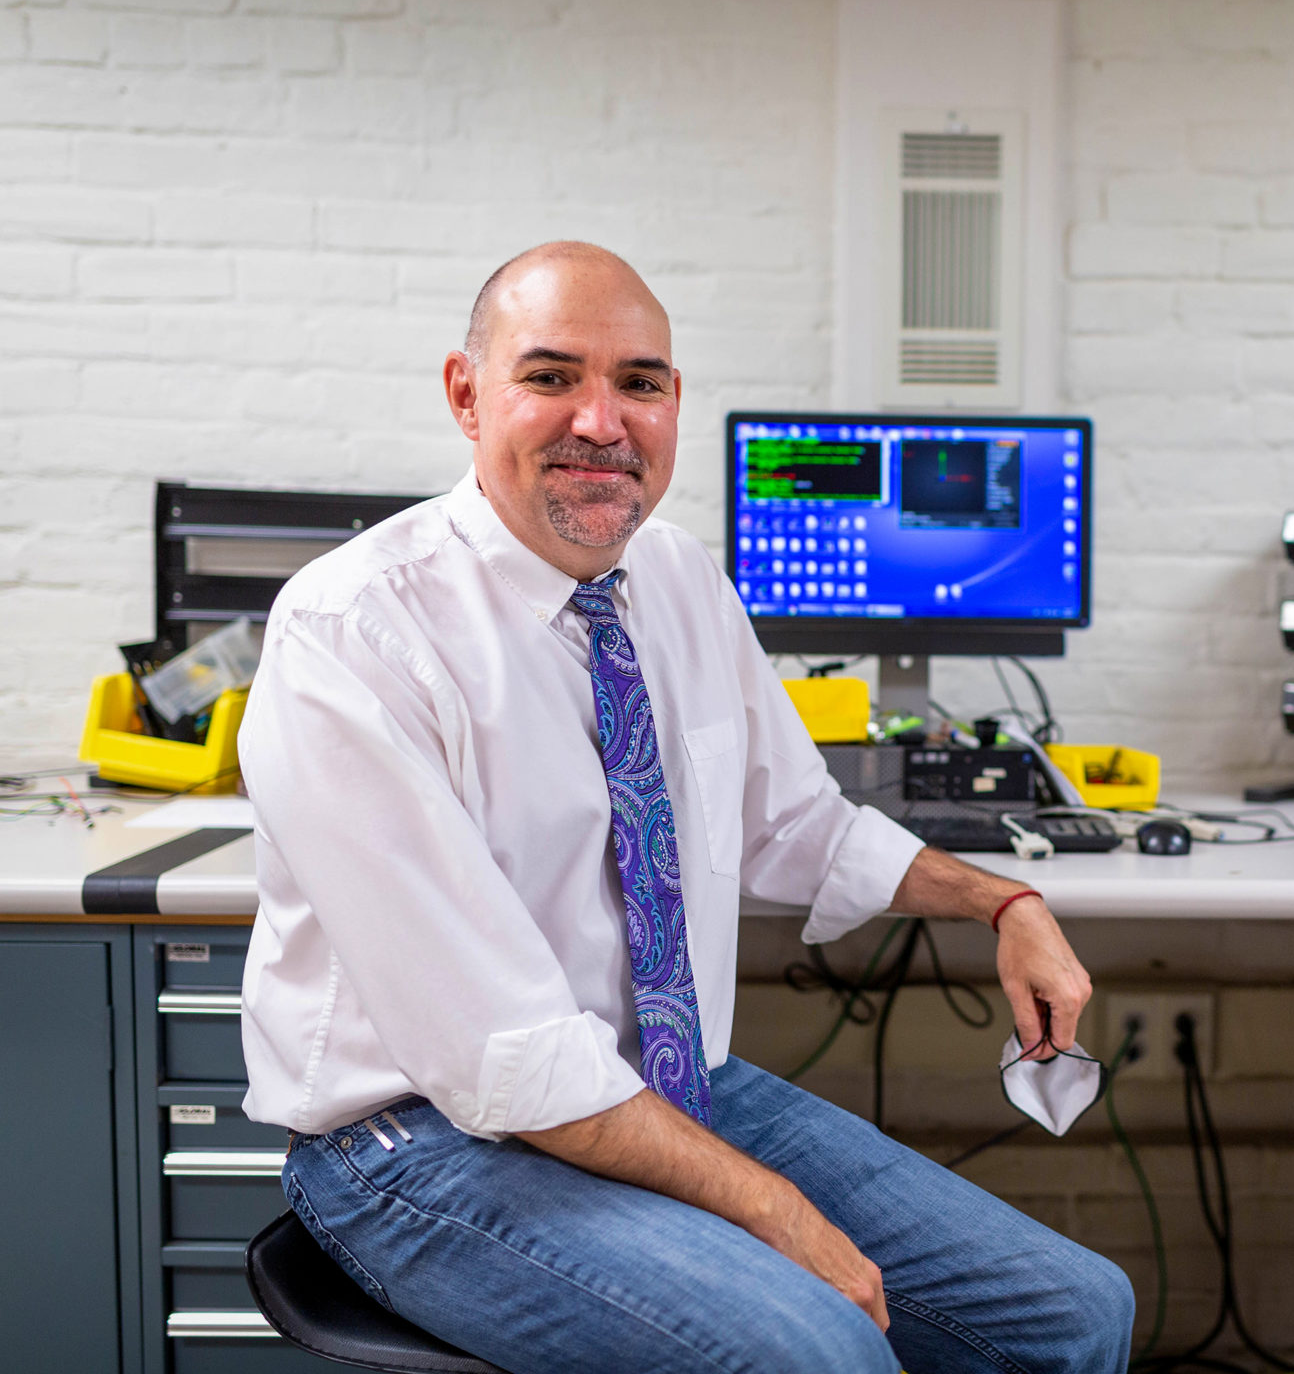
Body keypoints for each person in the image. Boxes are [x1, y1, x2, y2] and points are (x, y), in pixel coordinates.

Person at [238, 240, 1135, 1374]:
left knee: (1078, 1312)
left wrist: (1002, 900)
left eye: (641, 383)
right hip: (428, 1140)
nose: (603, 422)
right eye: (552, 376)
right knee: (820, 1353)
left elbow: (793, 822)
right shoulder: (355, 631)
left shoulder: (678, 581)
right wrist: (774, 1209)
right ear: (468, 396)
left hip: (666, 1084)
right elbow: (506, 1056)